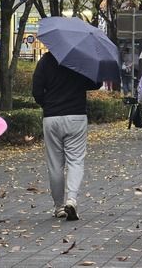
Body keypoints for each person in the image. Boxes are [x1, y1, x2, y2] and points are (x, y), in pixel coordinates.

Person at [32, 51, 102, 221]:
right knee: (75, 160)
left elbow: (36, 90)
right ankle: (71, 199)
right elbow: (96, 83)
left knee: (55, 164)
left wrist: (47, 104)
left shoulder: (45, 61)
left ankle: (58, 207)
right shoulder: (80, 60)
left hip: (52, 116)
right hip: (76, 115)